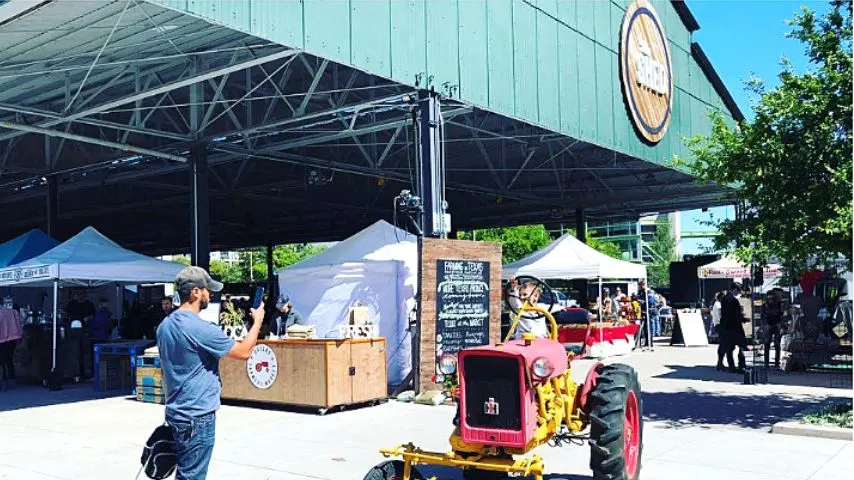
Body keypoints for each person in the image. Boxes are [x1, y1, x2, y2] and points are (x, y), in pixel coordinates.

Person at [157, 266, 265, 480]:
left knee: (185, 473)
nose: (210, 294)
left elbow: (166, 369)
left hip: (176, 412)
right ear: (196, 292)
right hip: (197, 416)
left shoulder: (164, 326)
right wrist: (258, 321)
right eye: (207, 289)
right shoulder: (202, 329)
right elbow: (243, 352)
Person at [717, 282, 748, 373]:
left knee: (728, 348)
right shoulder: (734, 301)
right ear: (735, 290)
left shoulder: (724, 299)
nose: (738, 293)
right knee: (742, 346)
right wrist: (744, 319)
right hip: (735, 327)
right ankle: (741, 365)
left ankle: (731, 366)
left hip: (726, 327)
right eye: (738, 291)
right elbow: (736, 315)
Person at [763, 290, 783, 368]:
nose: (770, 297)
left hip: (776, 324)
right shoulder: (765, 304)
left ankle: (776, 362)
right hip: (768, 324)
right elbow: (763, 314)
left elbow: (781, 314)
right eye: (769, 296)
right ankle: (766, 363)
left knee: (777, 344)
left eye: (771, 295)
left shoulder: (778, 304)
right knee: (767, 344)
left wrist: (780, 324)